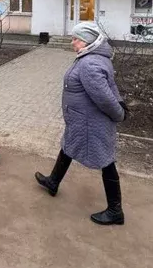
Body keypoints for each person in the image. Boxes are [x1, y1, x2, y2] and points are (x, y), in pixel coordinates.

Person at [35, 22, 127, 225]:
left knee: (106, 161)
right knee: (68, 146)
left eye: (76, 38)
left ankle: (115, 211)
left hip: (90, 124)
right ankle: (53, 181)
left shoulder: (89, 64)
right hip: (81, 121)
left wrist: (119, 113)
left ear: (87, 41)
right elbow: (111, 88)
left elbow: (104, 98)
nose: (72, 42)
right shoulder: (91, 58)